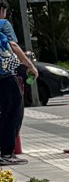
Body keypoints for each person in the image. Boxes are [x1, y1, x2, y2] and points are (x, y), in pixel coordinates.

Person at [0, 16, 31, 162]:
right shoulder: (3, 24)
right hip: (5, 76)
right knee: (13, 113)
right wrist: (30, 66)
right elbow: (13, 45)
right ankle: (6, 153)